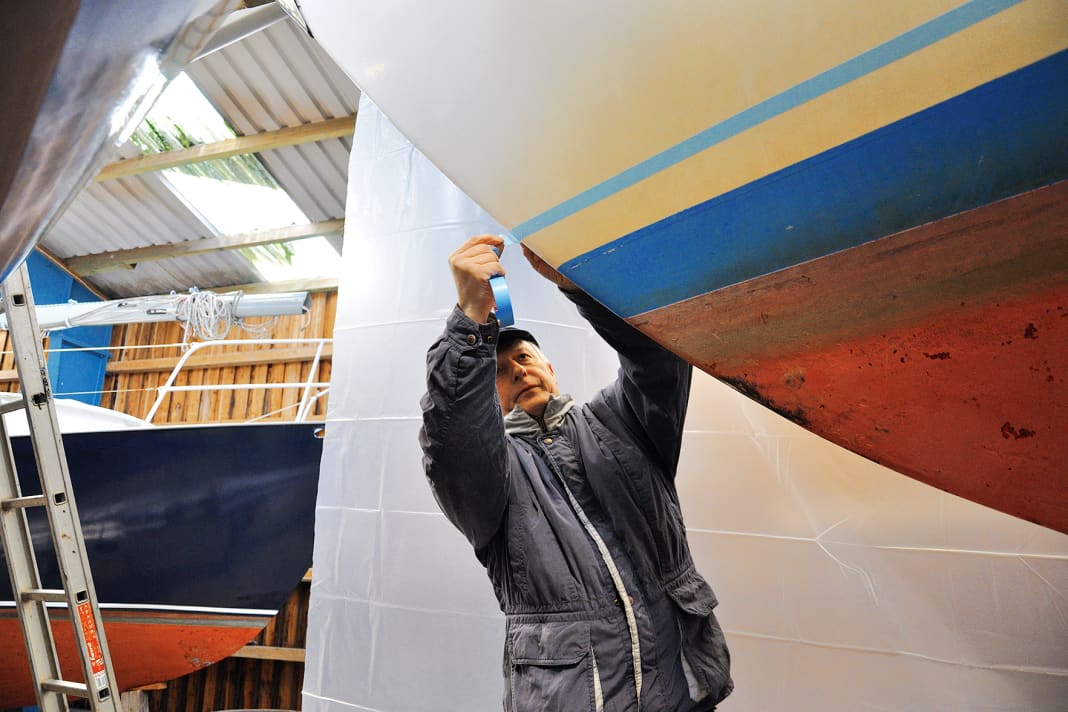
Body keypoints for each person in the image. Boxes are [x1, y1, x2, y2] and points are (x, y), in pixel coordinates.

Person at [419, 234, 732, 711]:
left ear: (550, 366)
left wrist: (586, 284)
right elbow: (451, 441)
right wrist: (470, 321)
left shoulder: (621, 421)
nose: (518, 372)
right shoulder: (494, 473)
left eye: (523, 359)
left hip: (682, 693)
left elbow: (657, 357)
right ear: (491, 396)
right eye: (500, 371)